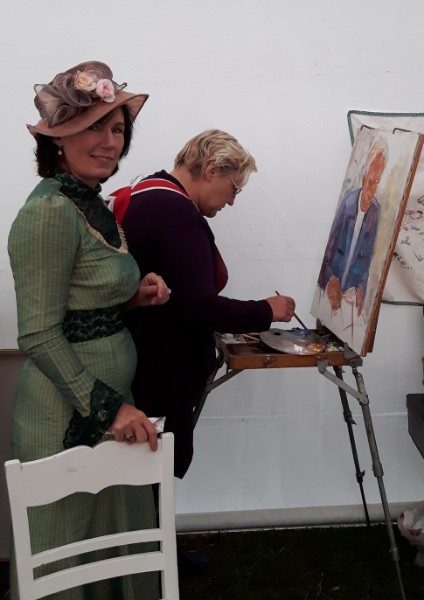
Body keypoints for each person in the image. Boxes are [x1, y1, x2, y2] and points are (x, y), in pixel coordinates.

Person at [8, 61, 169, 600]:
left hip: (108, 404)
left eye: (117, 128)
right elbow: (38, 334)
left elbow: (81, 299)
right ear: (57, 139)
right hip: (67, 415)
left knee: (108, 549)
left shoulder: (89, 201)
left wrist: (133, 295)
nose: (108, 141)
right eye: (92, 126)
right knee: (64, 558)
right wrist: (109, 409)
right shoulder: (50, 211)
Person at [107, 129, 296, 481]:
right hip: (158, 371)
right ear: (211, 170)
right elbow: (199, 307)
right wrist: (266, 310)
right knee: (152, 477)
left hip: (138, 360)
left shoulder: (147, 191)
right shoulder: (176, 212)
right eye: (234, 188)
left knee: (142, 478)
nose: (232, 201)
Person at [317, 136, 388, 317]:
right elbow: (330, 249)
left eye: (377, 181)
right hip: (332, 286)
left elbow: (366, 259)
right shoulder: (349, 202)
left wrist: (361, 286)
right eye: (371, 179)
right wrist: (330, 277)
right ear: (364, 175)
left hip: (349, 294)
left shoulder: (375, 211)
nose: (372, 187)